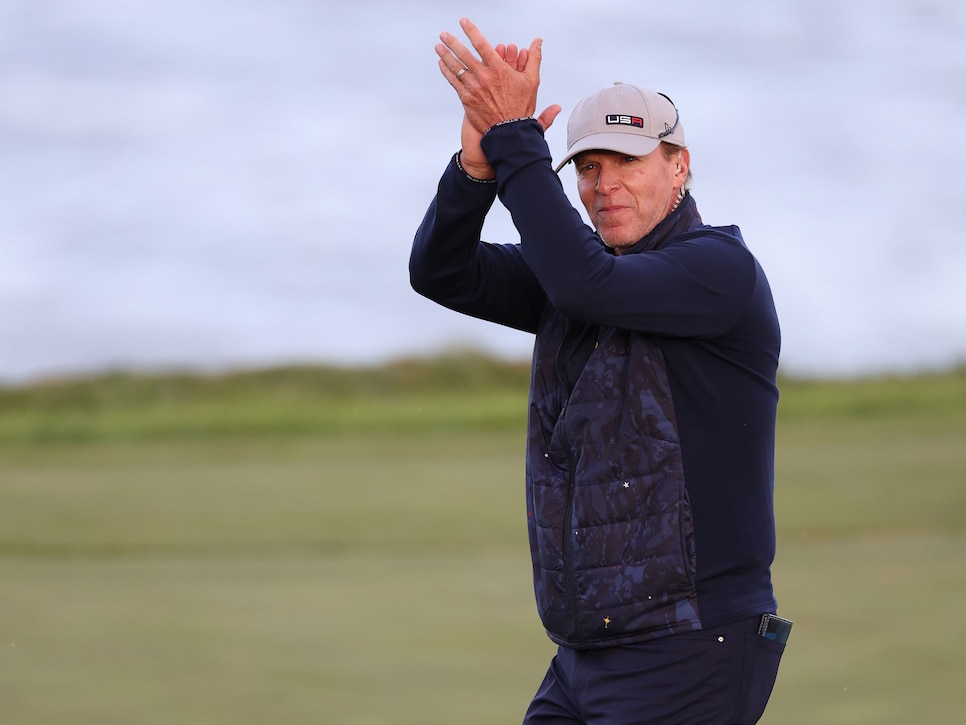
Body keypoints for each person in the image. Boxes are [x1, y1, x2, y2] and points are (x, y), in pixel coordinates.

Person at [410, 18, 790, 725]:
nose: (604, 185)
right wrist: (476, 170)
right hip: (585, 653)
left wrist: (516, 136)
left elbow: (586, 286)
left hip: (691, 647)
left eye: (627, 162)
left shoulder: (719, 272)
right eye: (588, 167)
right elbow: (441, 270)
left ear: (679, 166)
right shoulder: (582, 273)